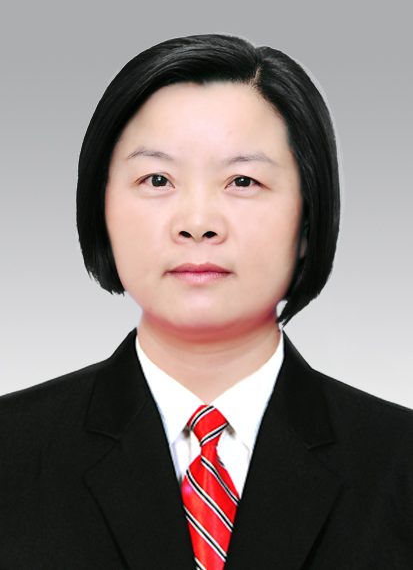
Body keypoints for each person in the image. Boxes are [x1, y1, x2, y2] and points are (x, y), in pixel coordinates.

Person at [1, 34, 412, 569]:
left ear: (309, 218)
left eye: (242, 180)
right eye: (157, 179)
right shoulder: (11, 450)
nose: (197, 223)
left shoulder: (400, 463)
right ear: (100, 208)